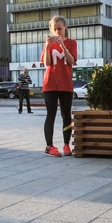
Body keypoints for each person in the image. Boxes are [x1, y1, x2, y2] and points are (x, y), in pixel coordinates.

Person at [41, 15, 76, 156]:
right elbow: (47, 63)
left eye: (59, 29)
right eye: (54, 29)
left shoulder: (72, 43)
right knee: (51, 114)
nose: (57, 32)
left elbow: (71, 61)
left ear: (65, 27)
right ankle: (49, 146)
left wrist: (63, 46)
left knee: (66, 115)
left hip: (66, 84)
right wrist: (47, 46)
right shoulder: (49, 44)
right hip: (50, 84)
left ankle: (66, 145)